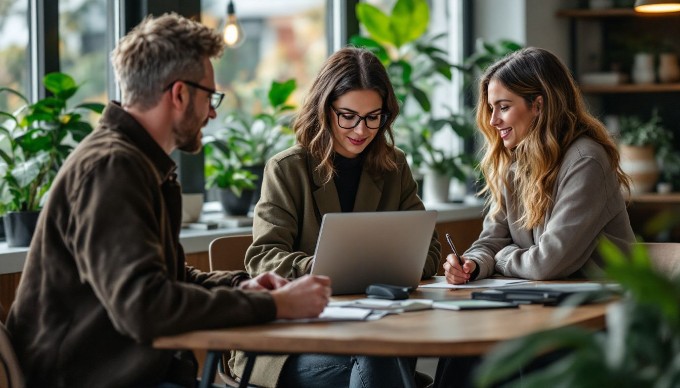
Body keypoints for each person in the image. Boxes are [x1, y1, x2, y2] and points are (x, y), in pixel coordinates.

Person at [6, 13, 331, 388]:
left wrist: (244, 287)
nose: (212, 111)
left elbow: (171, 280)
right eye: (210, 96)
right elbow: (145, 307)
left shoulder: (139, 164)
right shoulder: (113, 168)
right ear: (179, 94)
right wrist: (275, 306)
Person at [226, 47, 442, 387]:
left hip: (375, 324)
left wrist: (390, 268)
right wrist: (319, 268)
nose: (361, 129)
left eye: (374, 117)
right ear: (325, 110)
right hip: (294, 341)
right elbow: (263, 258)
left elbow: (428, 252)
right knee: (381, 357)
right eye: (348, 116)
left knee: (386, 350)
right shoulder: (288, 169)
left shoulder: (393, 166)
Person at [435, 47, 635, 387]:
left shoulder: (586, 160)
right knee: (462, 351)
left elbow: (547, 263)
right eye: (491, 108)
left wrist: (501, 257)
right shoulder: (516, 162)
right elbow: (492, 239)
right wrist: (472, 264)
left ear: (538, 105)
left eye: (503, 107)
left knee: (501, 360)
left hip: (596, 321)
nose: (493, 120)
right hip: (543, 312)